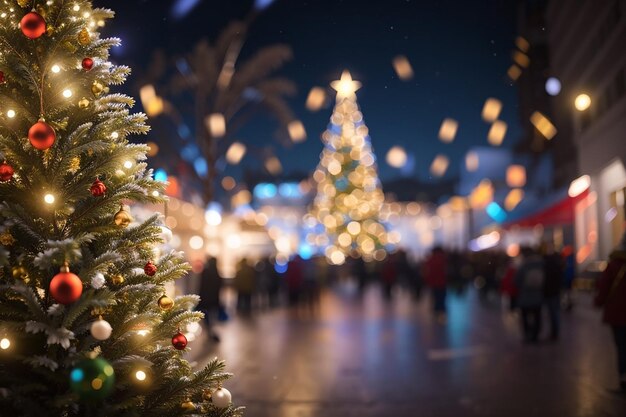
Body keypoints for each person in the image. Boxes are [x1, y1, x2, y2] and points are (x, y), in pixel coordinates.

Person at [595, 232, 626, 393]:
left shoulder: (614, 264)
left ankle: (623, 378)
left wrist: (598, 302)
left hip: (618, 314)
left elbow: (604, 287)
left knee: (621, 346)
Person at [514, 247, 545, 343]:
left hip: (525, 295)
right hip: (538, 295)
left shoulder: (524, 265)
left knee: (525, 316)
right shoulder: (541, 264)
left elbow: (517, 280)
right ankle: (536, 335)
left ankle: (527, 335)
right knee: (537, 315)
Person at [197, 257, 222, 342]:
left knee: (206, 316)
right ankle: (210, 331)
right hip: (213, 299)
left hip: (206, 298)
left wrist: (199, 297)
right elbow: (219, 288)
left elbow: (201, 286)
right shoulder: (217, 272)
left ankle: (209, 331)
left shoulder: (206, 271)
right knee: (212, 316)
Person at [423, 247, 447, 321]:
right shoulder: (444, 259)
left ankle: (436, 311)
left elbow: (427, 272)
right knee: (442, 297)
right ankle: (441, 311)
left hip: (433, 283)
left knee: (435, 297)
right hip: (443, 282)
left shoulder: (430, 259)